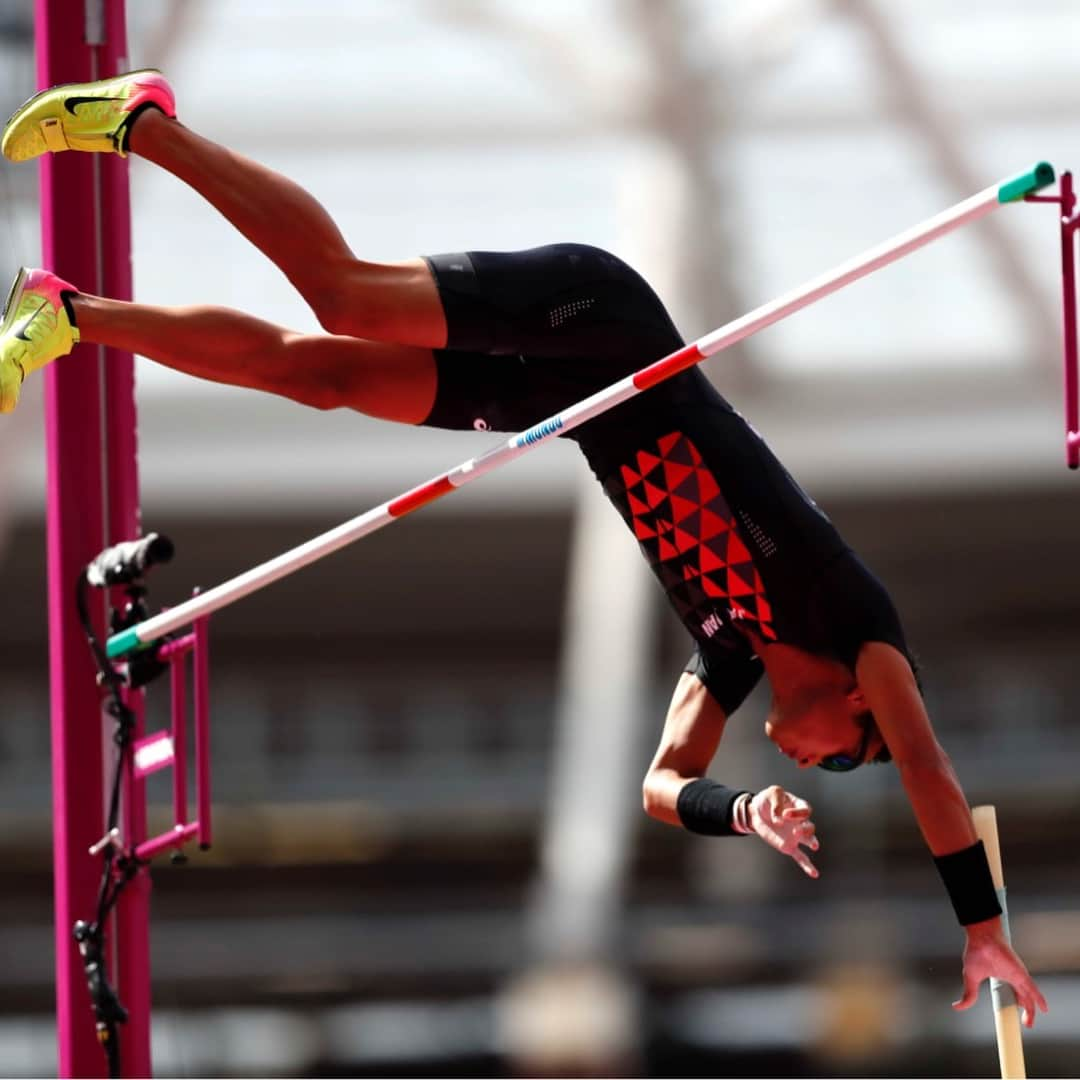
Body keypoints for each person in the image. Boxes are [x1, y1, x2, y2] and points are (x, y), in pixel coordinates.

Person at [1, 70, 1048, 1025]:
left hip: (573, 401)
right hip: (611, 332)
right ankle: (141, 121)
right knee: (346, 296)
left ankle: (69, 314)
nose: (815, 766)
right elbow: (930, 767)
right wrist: (983, 927)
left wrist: (738, 811)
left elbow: (658, 782)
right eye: (838, 759)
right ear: (861, 706)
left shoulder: (729, 651)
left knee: (316, 373)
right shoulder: (856, 626)